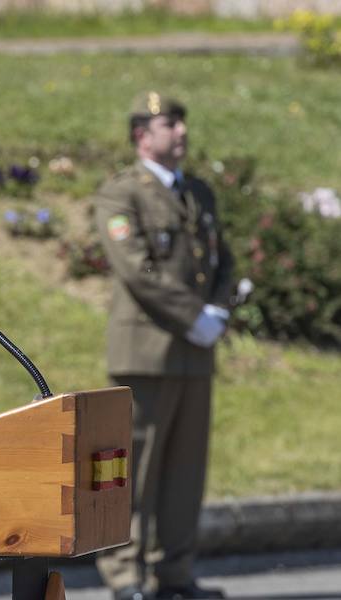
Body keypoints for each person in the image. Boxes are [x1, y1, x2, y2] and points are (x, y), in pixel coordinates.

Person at [92, 92, 235, 600]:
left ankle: (174, 572)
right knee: (135, 469)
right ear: (141, 135)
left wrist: (217, 310)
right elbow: (137, 268)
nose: (181, 131)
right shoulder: (122, 193)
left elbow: (223, 261)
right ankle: (125, 573)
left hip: (195, 353)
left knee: (185, 470)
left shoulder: (197, 192)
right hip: (146, 352)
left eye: (182, 122)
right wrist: (194, 316)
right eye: (170, 123)